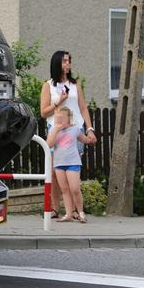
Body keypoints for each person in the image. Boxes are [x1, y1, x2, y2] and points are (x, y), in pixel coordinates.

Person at [40, 50, 97, 218]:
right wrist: (59, 101)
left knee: (72, 172)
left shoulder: (75, 84)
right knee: (55, 173)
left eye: (69, 61)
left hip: (75, 129)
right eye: (65, 61)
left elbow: (83, 108)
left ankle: (74, 211)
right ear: (57, 63)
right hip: (56, 130)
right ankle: (55, 208)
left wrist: (89, 128)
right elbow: (44, 112)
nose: (68, 64)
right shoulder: (48, 85)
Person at [46, 106, 92, 222]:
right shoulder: (53, 131)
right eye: (57, 118)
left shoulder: (75, 130)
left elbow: (84, 139)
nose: (59, 121)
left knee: (75, 188)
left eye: (62, 118)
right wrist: (55, 130)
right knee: (65, 190)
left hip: (73, 163)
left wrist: (90, 139)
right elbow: (49, 145)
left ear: (69, 119)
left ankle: (81, 212)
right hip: (59, 164)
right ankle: (68, 214)